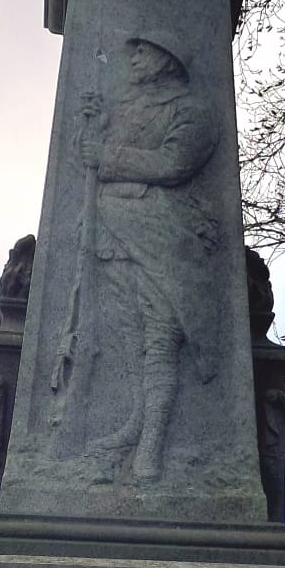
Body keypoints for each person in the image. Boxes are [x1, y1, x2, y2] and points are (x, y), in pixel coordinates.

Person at [75, 37, 221, 482]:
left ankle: (151, 449)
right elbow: (89, 155)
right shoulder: (127, 105)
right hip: (114, 236)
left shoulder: (191, 111)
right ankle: (136, 429)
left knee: (160, 340)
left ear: (166, 60)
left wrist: (106, 156)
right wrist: (91, 129)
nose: (133, 59)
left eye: (143, 51)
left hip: (163, 238)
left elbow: (173, 163)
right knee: (133, 340)